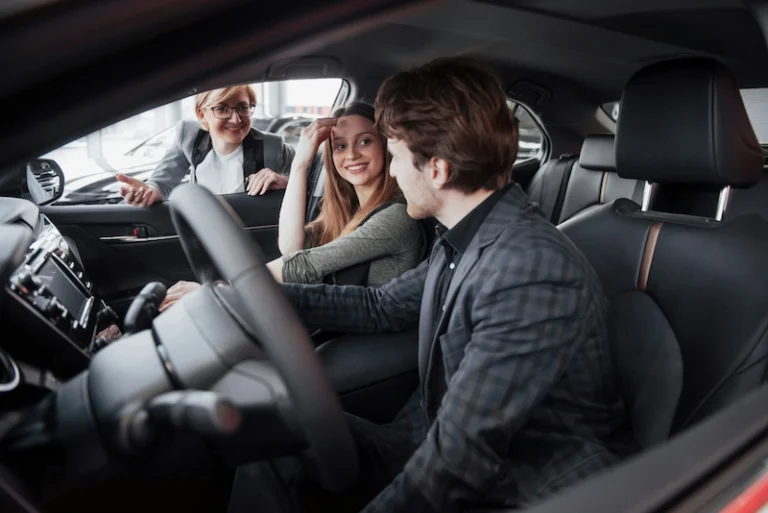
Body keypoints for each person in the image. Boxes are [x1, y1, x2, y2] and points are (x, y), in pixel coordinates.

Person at [227, 57, 636, 513]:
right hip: (429, 440)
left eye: (396, 156)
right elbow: (382, 306)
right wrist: (252, 301)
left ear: (437, 169)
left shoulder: (529, 270)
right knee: (277, 436)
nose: (394, 173)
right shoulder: (464, 235)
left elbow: (458, 464)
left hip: (526, 484)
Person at [159, 102, 425, 311]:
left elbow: (304, 265)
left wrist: (218, 290)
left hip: (364, 342)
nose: (352, 154)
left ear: (385, 146)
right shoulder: (349, 212)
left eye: (365, 141)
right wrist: (301, 164)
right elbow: (290, 248)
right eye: (340, 146)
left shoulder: (396, 216)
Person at [117, 84, 295, 206]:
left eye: (243, 107)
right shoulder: (189, 136)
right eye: (222, 109)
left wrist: (285, 182)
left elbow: (316, 185)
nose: (236, 119)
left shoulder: (274, 146)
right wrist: (148, 192)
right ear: (202, 115)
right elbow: (162, 183)